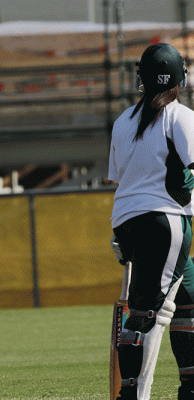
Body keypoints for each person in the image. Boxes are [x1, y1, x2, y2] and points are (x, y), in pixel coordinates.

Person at [108, 43, 194, 400]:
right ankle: (132, 393)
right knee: (148, 313)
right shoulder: (180, 115)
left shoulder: (123, 120)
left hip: (125, 222)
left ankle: (190, 385)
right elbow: (188, 175)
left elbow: (119, 177)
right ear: (179, 78)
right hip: (164, 222)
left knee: (189, 296)